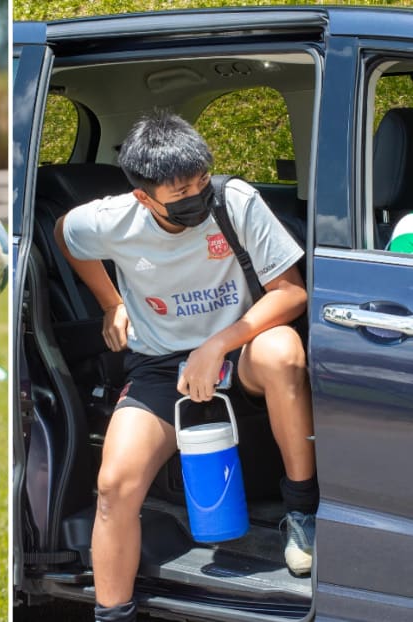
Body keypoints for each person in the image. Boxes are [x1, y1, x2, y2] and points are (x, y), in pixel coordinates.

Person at [54, 111, 318, 622]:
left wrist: (218, 344)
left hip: (241, 350)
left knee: (284, 350)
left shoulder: (235, 202)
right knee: (113, 487)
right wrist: (111, 301)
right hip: (158, 366)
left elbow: (291, 293)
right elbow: (66, 233)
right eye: (181, 193)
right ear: (143, 197)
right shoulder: (112, 219)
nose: (197, 196)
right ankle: (113, 613)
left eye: (202, 181)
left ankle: (302, 512)